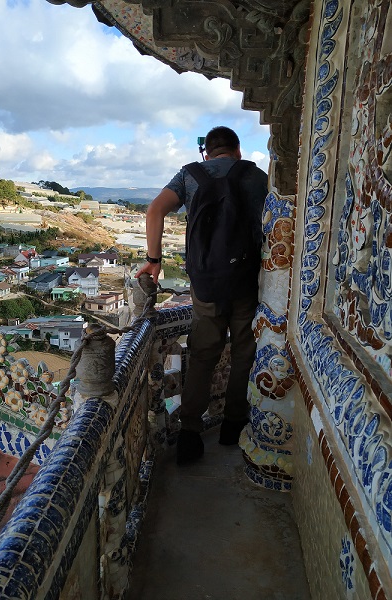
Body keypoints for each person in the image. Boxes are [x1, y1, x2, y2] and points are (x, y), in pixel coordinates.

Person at [136, 126, 268, 465]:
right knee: (243, 351)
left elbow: (154, 211)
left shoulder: (190, 174)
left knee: (203, 354)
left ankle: (191, 434)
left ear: (206, 153)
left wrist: (153, 260)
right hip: (246, 281)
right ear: (237, 150)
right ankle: (233, 426)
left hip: (206, 282)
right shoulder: (255, 175)